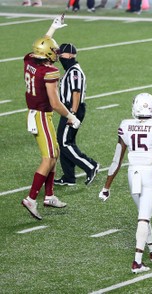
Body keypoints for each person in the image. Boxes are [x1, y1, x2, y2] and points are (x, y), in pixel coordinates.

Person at [98, 93, 152, 273]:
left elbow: (116, 160)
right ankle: (137, 262)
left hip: (132, 174)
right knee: (144, 217)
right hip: (150, 174)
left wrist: (106, 187)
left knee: (143, 212)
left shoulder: (126, 126)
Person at [22, 15, 81, 220]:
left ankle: (49, 196)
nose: (56, 53)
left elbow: (41, 45)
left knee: (54, 153)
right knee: (48, 158)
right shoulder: (49, 71)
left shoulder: (30, 59)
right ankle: (31, 198)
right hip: (41, 115)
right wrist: (71, 117)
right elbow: (55, 103)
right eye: (54, 50)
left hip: (35, 112)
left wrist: (52, 29)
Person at [54, 43, 100, 187]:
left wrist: (72, 114)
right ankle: (69, 176)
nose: (60, 56)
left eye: (62, 54)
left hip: (73, 109)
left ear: (70, 55)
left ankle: (90, 166)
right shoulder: (70, 70)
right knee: (64, 142)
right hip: (69, 110)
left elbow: (76, 92)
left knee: (65, 142)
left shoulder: (74, 71)